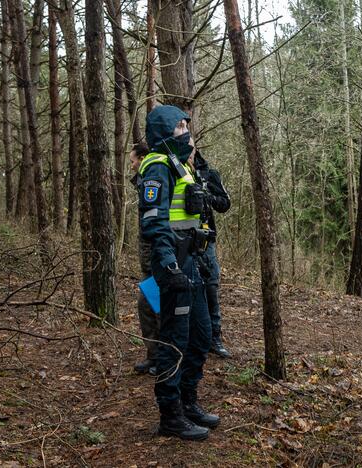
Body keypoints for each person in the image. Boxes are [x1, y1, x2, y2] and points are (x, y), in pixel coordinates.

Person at [137, 105, 218, 441]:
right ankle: (170, 415)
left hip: (194, 261)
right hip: (173, 265)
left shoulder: (181, 164)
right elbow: (154, 222)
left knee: (201, 336)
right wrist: (169, 264)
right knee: (174, 341)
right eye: (180, 126)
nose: (186, 131)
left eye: (187, 125)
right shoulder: (156, 166)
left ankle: (188, 401)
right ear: (164, 131)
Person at [193, 150, 232, 358]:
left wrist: (206, 196)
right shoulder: (171, 170)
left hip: (206, 241)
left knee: (210, 288)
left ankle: (214, 338)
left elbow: (225, 204)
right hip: (179, 241)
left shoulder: (209, 174)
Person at [129, 143, 159, 376]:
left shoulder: (154, 181)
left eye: (133, 161)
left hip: (158, 260)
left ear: (143, 158)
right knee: (147, 307)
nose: (132, 166)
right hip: (149, 262)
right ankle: (155, 356)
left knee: (152, 306)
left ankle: (162, 357)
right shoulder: (142, 184)